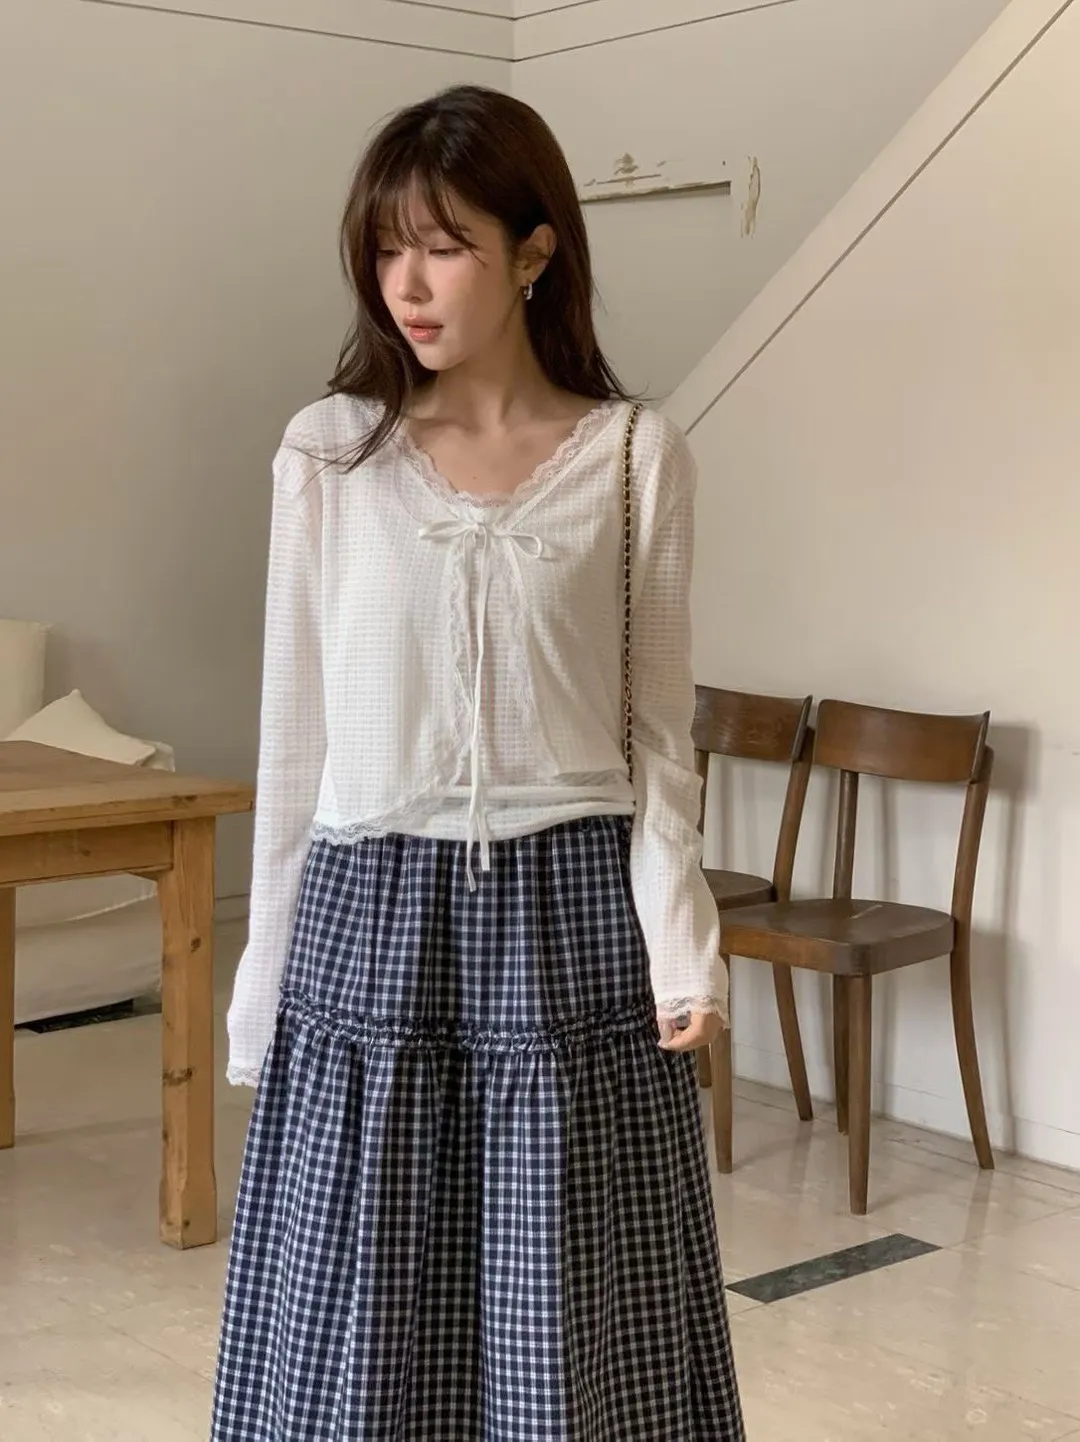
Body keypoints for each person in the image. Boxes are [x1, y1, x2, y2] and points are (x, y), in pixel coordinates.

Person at [211, 84, 745, 1442]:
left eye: (443, 246)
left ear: (534, 252)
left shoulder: (635, 457)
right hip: (371, 916)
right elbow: (294, 736)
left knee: (569, 1313)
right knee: (357, 1316)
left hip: (569, 917)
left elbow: (656, 736)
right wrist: (264, 976)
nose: (406, 283)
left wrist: (682, 945)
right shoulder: (328, 452)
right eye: (386, 248)